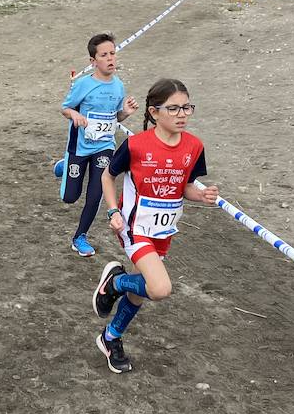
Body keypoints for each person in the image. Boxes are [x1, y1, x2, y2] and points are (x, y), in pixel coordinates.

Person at [90, 78, 219, 374]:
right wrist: (113, 211)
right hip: (134, 226)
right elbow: (108, 176)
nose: (181, 114)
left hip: (164, 230)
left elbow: (185, 187)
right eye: (173, 108)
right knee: (160, 288)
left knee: (141, 291)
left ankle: (110, 338)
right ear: (154, 112)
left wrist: (201, 196)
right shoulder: (136, 145)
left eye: (186, 107)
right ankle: (115, 283)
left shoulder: (194, 147)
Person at [57, 33, 138, 257]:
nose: (110, 58)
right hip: (80, 147)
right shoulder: (83, 84)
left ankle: (80, 237)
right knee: (69, 197)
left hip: (104, 147)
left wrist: (125, 113)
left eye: (112, 53)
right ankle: (65, 165)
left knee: (95, 195)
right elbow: (65, 108)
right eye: (104, 55)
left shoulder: (118, 86)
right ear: (93, 61)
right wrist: (74, 115)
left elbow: (115, 118)